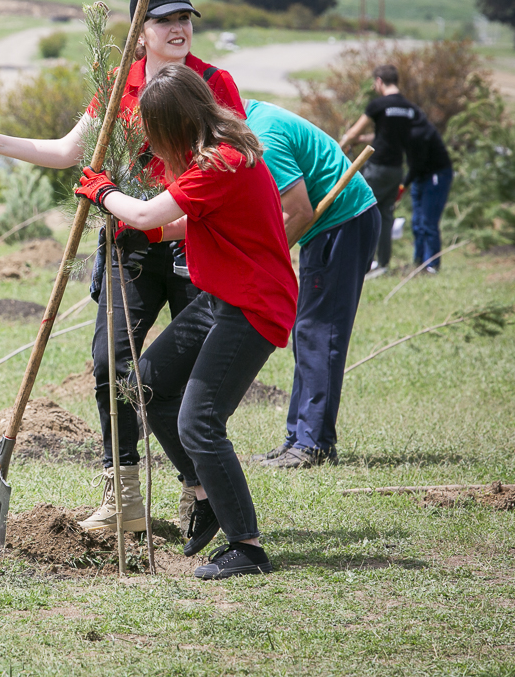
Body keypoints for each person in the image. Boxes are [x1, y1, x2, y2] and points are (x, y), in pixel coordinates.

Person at [0, 0, 246, 535]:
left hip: (193, 243)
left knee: (185, 378)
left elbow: (229, 165)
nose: (178, 28)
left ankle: (200, 486)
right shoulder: (118, 85)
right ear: (140, 33)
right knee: (109, 364)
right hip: (127, 246)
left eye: (185, 18)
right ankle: (124, 497)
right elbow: (71, 150)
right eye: (164, 20)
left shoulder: (214, 83)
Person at [74, 64, 297, 579]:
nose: (152, 144)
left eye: (153, 132)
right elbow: (182, 221)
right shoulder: (217, 154)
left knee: (199, 421)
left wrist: (104, 192)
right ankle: (206, 492)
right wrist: (147, 234)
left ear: (173, 125)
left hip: (253, 303)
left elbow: (146, 212)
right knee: (147, 384)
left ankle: (247, 547)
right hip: (223, 296)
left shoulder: (220, 161)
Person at [242, 100, 380, 469]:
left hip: (342, 222)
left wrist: (263, 264)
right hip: (332, 226)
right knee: (307, 332)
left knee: (320, 333)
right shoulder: (254, 118)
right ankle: (297, 437)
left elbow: (299, 211)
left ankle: (313, 444)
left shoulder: (262, 134)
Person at [339, 65, 417, 275]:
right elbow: (388, 135)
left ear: (380, 81)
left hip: (377, 167)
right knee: (385, 215)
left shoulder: (378, 104)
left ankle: (363, 263)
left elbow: (354, 131)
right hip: (396, 170)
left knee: (361, 210)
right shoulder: (408, 108)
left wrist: (341, 145)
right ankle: (382, 264)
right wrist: (364, 140)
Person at [404, 107, 453, 273]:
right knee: (416, 223)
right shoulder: (407, 130)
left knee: (428, 222)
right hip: (420, 178)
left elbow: (417, 164)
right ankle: (418, 263)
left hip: (435, 177)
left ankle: (432, 265)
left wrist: (403, 185)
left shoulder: (420, 132)